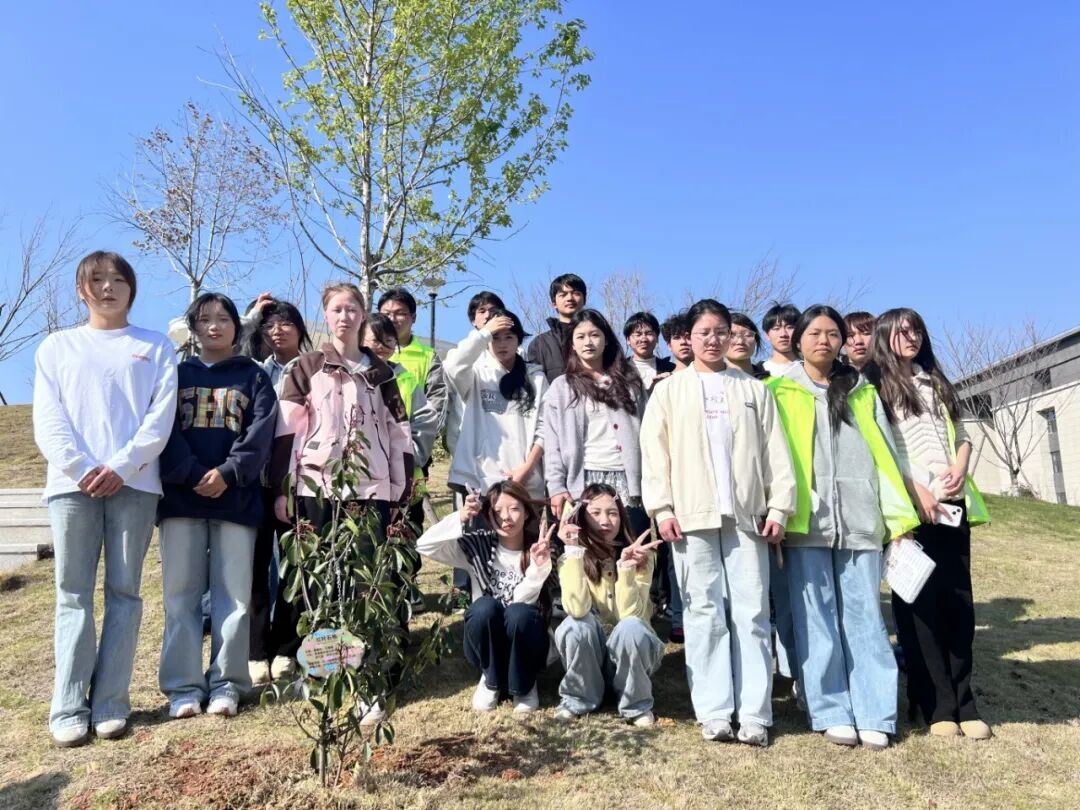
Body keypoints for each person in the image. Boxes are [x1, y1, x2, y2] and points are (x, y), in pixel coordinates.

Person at [33, 251, 178, 747]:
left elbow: (159, 419)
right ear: (81, 290)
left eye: (119, 279)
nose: (108, 288)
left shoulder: (156, 346)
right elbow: (49, 421)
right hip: (71, 487)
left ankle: (111, 702)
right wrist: (82, 468)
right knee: (73, 595)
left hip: (134, 485)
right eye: (97, 280)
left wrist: (121, 467)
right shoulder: (57, 346)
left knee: (125, 593)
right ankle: (68, 705)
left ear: (133, 289)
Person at [640, 298, 797, 747]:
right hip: (690, 516)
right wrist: (663, 508)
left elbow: (776, 455)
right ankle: (713, 711)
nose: (712, 339)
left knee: (751, 614)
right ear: (688, 338)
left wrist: (779, 507)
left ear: (733, 337)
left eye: (720, 331)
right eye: (703, 332)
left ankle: (754, 713)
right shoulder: (669, 391)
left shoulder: (754, 390)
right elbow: (655, 454)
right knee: (703, 612)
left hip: (748, 516)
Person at [766, 305, 919, 750]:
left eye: (832, 333)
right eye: (814, 333)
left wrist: (896, 519)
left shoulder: (862, 391)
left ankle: (874, 710)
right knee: (816, 620)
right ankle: (830, 708)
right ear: (798, 340)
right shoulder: (778, 390)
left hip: (860, 519)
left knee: (865, 618)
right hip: (806, 522)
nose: (824, 341)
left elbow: (887, 459)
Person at [269, 283, 413, 725]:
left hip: (370, 493)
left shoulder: (381, 373)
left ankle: (370, 683)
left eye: (352, 309)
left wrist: (400, 493)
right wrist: (281, 488)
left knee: (365, 587)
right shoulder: (306, 367)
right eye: (336, 309)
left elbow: (399, 435)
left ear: (364, 315)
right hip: (316, 490)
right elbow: (286, 432)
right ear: (326, 316)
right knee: (321, 586)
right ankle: (328, 679)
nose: (345, 316)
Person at [864, 308, 993, 740]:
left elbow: (963, 431)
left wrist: (961, 463)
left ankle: (964, 701)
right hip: (911, 511)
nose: (912, 337)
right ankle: (933, 704)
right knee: (918, 609)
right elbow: (881, 447)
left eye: (917, 330)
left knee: (959, 605)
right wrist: (914, 489)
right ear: (885, 335)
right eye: (902, 331)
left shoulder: (935, 378)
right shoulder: (874, 384)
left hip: (952, 506)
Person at [157, 293, 278, 719]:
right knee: (180, 595)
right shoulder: (174, 375)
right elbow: (163, 430)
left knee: (234, 597)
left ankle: (228, 683)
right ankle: (183, 688)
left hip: (237, 501)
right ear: (192, 327)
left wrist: (227, 473)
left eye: (223, 318)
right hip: (181, 500)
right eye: (204, 319)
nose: (214, 326)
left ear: (237, 326)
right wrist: (191, 473)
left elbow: (260, 434)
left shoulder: (255, 378)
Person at [416, 481, 554, 714]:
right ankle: (491, 678)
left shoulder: (540, 549)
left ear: (527, 512)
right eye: (497, 511)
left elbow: (522, 603)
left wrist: (538, 568)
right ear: (487, 514)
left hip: (528, 641)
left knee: (519, 612)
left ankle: (524, 683)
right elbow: (424, 545)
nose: (506, 518)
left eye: (514, 509)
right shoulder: (478, 547)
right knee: (484, 608)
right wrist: (459, 517)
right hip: (489, 640)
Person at [554, 483, 665, 726]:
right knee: (575, 625)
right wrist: (572, 551)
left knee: (632, 627)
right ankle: (578, 699)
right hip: (590, 658)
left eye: (612, 513)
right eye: (595, 513)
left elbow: (631, 615)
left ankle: (635, 705)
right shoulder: (572, 558)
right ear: (581, 517)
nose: (605, 520)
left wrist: (626, 569)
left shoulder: (642, 558)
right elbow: (576, 608)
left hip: (630, 656)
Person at [248, 299, 312, 686]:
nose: (277, 331)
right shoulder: (254, 372)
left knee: (295, 566)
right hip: (257, 482)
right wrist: (252, 315)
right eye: (269, 325)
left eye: (286, 323)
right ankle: (256, 651)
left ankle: (287, 649)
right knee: (255, 569)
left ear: (301, 329)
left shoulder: (315, 369)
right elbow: (225, 341)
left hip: (301, 482)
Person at [543, 309, 647, 533]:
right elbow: (552, 445)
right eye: (580, 336)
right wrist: (556, 487)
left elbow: (648, 433)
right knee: (587, 558)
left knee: (632, 553)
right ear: (572, 344)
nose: (587, 342)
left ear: (606, 339)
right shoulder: (561, 387)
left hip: (627, 481)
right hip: (582, 480)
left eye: (594, 335)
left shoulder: (630, 381)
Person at [444, 309, 547, 500]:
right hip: (479, 484)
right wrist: (484, 333)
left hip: (526, 485)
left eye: (508, 337)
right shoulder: (476, 375)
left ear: (519, 340)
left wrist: (525, 470)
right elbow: (453, 366)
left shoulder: (536, 378)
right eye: (495, 338)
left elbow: (544, 430)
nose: (502, 344)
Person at [445, 291, 508, 600]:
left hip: (509, 467)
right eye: (483, 311)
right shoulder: (468, 353)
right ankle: (469, 592)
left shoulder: (513, 357)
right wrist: (484, 335)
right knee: (472, 532)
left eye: (495, 311)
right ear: (473, 319)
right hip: (472, 462)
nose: (489, 315)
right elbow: (454, 367)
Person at [378, 287, 449, 534]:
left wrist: (417, 451)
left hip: (411, 458)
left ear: (413, 317)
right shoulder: (365, 353)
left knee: (405, 534)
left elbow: (436, 407)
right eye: (386, 312)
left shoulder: (427, 357)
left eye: (400, 313)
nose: (392, 318)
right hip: (371, 460)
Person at [527, 273, 587, 382]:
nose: (569, 298)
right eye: (563, 295)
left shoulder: (601, 337)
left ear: (584, 300)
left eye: (576, 293)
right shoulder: (539, 344)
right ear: (554, 303)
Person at [624, 311, 675, 392]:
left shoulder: (670, 369)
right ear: (628, 340)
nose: (643, 339)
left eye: (649, 333)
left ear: (657, 338)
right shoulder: (618, 370)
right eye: (638, 334)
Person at [725, 313, 769, 380]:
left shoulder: (776, 384)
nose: (740, 342)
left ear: (756, 340)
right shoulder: (710, 381)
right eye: (732, 335)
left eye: (747, 335)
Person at [762, 302, 801, 376]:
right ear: (767, 335)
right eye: (776, 328)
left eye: (790, 327)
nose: (783, 334)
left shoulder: (811, 369)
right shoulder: (758, 372)